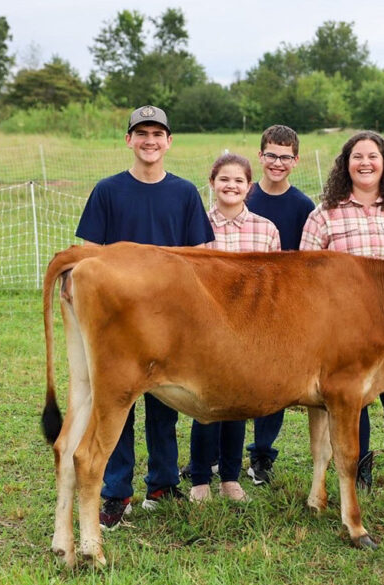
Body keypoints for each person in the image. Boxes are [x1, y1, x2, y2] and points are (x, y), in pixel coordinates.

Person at [75, 105, 215, 529]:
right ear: (129, 140)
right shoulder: (108, 191)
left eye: (158, 133)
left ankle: (162, 483)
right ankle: (117, 493)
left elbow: (200, 259)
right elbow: (88, 257)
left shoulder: (185, 193)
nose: (150, 140)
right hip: (119, 319)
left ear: (169, 141)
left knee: (166, 403)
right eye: (142, 133)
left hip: (170, 318)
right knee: (117, 403)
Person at [300, 131, 384, 507]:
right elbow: (305, 276)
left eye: (373, 156)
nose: (365, 163)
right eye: (357, 157)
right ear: (345, 164)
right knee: (353, 403)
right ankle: (361, 472)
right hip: (344, 334)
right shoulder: (324, 213)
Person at [188, 153, 280, 504]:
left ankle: (229, 477)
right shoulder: (197, 224)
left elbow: (275, 284)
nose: (231, 186)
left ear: (249, 187)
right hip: (208, 327)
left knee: (239, 404)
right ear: (212, 183)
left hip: (249, 329)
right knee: (207, 404)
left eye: (239, 181)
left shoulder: (265, 229)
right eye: (224, 179)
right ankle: (199, 478)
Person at [244, 125, 315, 485]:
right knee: (234, 377)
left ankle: (262, 454)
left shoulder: (303, 206)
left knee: (273, 384)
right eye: (271, 155)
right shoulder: (244, 195)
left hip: (282, 306)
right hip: (240, 304)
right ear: (260, 156)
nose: (277, 162)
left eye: (285, 157)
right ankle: (217, 456)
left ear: (295, 161)